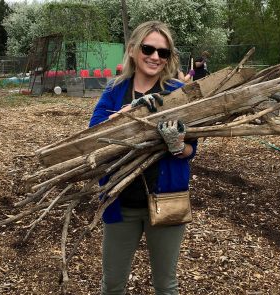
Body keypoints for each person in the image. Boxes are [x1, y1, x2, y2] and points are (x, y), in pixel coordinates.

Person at [89, 20, 197, 295]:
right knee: (112, 285)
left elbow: (190, 151)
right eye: (149, 48)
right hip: (121, 203)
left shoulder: (177, 93)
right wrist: (129, 114)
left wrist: (176, 145)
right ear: (134, 50)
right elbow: (94, 136)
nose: (155, 57)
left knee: (166, 285)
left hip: (167, 201)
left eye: (163, 52)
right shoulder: (115, 89)